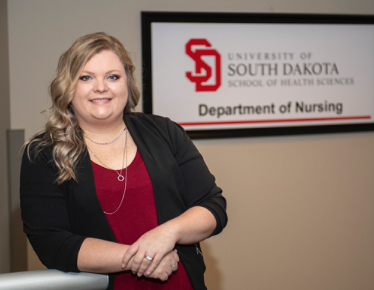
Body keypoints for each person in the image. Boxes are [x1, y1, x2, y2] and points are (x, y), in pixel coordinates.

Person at [20, 32, 227, 290]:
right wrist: (144, 257)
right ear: (68, 86)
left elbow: (212, 206)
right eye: (86, 77)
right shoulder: (42, 154)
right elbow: (52, 243)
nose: (101, 87)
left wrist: (166, 234)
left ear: (127, 83)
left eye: (112, 76)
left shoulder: (164, 132)